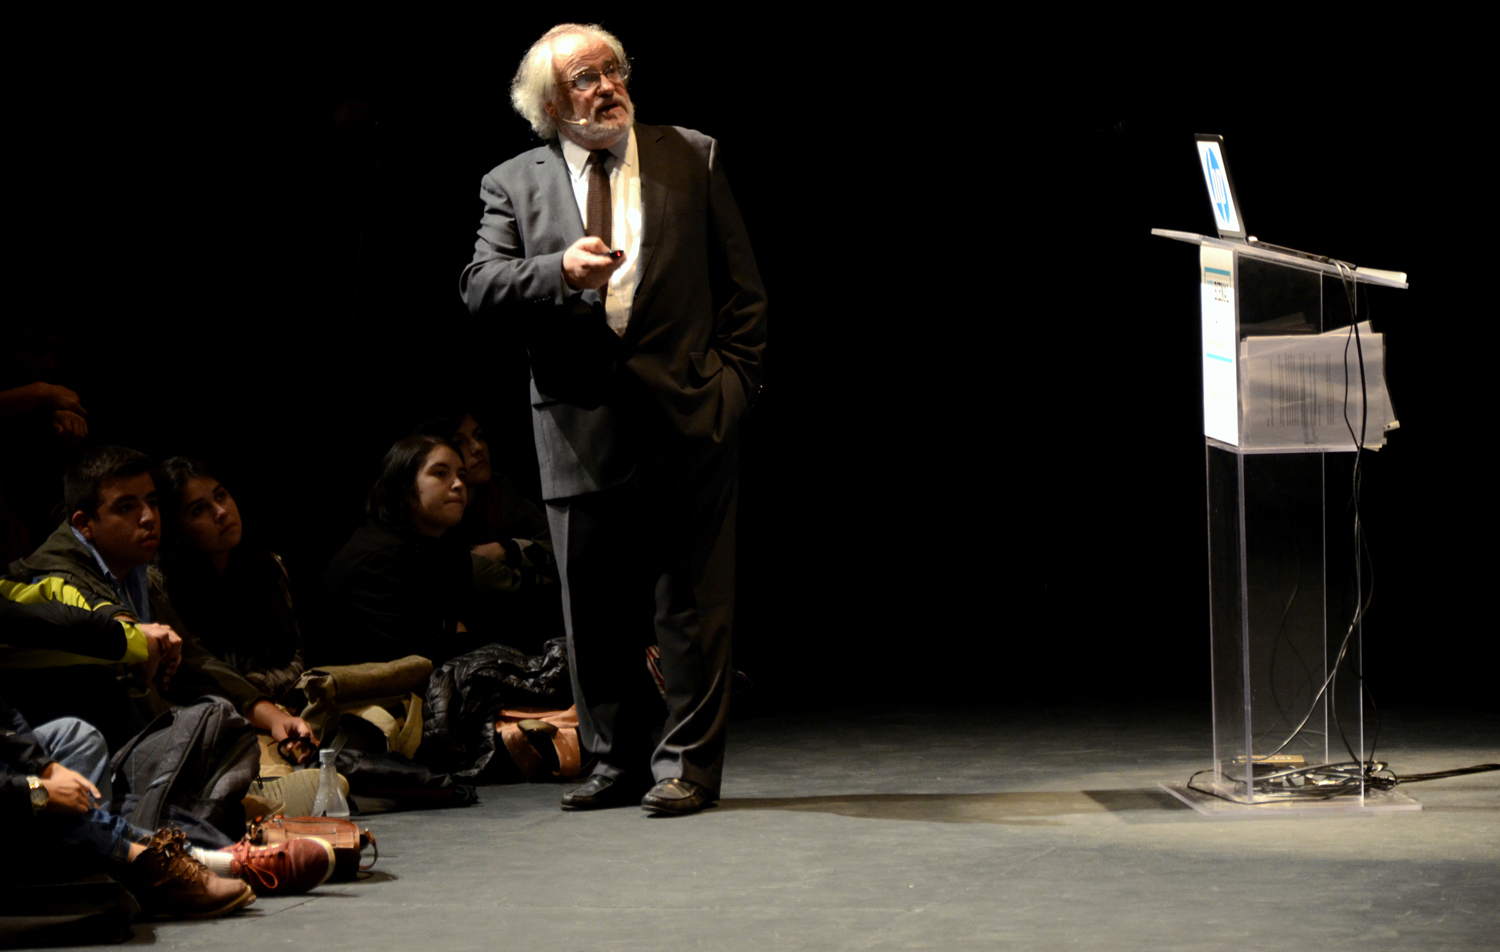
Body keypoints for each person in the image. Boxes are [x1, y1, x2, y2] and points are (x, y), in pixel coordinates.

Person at [460, 23, 766, 815]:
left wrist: (731, 387)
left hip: (689, 413)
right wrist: (558, 270)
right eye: (586, 78)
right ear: (550, 104)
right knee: (593, 607)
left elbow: (743, 290)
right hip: (576, 423)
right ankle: (613, 761)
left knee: (690, 605)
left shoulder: (690, 154)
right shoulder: (512, 182)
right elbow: (480, 285)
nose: (608, 87)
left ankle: (687, 766)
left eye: (614, 69)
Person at [1, 446, 313, 750]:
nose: (148, 517)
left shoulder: (135, 567)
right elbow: (124, 683)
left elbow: (193, 658)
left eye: (152, 501)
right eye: (126, 507)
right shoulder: (59, 576)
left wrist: (272, 716)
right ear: (85, 524)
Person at [153, 458, 307, 706]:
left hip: (283, 706)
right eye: (198, 510)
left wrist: (255, 691)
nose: (221, 512)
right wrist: (247, 697)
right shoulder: (165, 589)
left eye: (221, 496)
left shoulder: (267, 564)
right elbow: (186, 683)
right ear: (177, 529)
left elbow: (296, 656)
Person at [318, 435, 477, 667]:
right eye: (440, 473)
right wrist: (454, 632)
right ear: (404, 487)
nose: (459, 484)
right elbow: (423, 658)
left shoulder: (443, 548)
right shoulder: (377, 559)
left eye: (461, 475)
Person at [414, 409, 560, 653]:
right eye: (460, 442)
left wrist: (504, 550)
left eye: (479, 436)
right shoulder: (433, 513)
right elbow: (475, 572)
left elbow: (561, 544)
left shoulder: (498, 493)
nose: (478, 447)